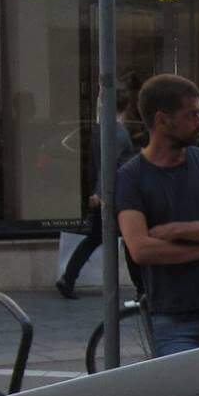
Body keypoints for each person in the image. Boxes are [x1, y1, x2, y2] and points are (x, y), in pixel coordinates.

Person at [115, 73, 199, 355]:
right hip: (173, 319)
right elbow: (142, 249)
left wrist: (177, 231)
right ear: (163, 120)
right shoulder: (131, 177)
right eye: (192, 115)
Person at [55, 84, 137, 299]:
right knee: (129, 238)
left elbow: (98, 164)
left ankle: (68, 278)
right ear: (127, 106)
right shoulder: (117, 132)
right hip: (116, 195)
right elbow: (107, 166)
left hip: (110, 193)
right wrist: (99, 193)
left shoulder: (101, 129)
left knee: (96, 238)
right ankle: (142, 287)